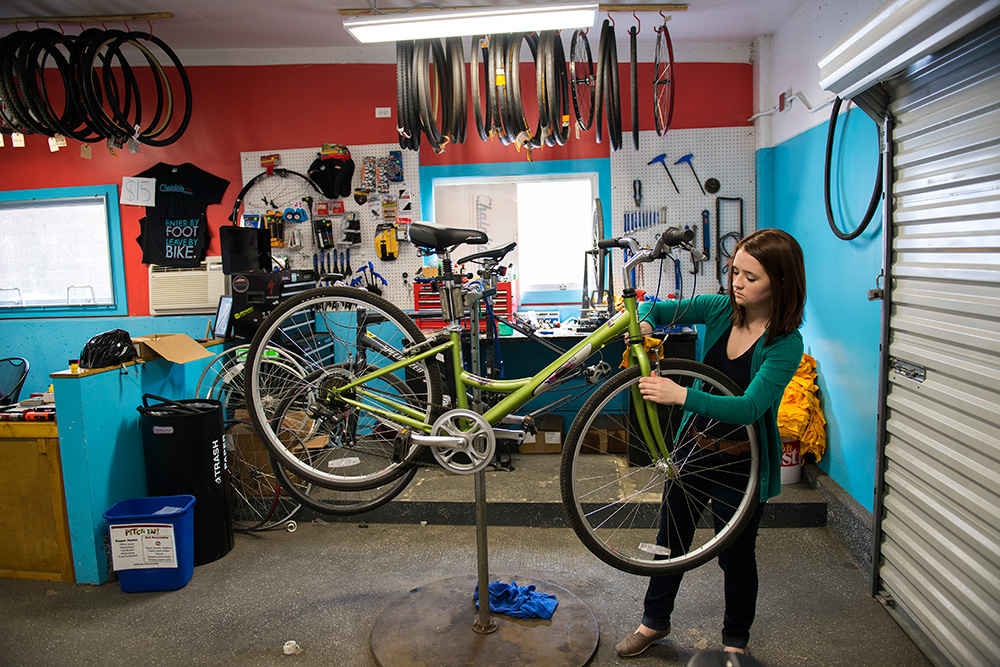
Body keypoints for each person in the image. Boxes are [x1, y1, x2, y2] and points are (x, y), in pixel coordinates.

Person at [615, 227, 806, 657]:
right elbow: (656, 307)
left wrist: (680, 393)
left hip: (742, 464)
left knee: (735, 560)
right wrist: (644, 320)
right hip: (694, 450)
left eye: (750, 277)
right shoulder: (720, 309)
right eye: (734, 271)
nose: (737, 283)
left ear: (781, 282)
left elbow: (749, 407)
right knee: (670, 542)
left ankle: (734, 644)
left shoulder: (784, 344)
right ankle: (653, 623)